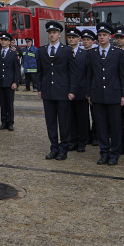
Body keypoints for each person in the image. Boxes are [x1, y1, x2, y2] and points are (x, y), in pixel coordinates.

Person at [87, 24, 124, 166]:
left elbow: (122, 75)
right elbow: (89, 75)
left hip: (114, 94)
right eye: (99, 35)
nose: (101, 37)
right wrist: (89, 93)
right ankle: (104, 153)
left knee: (115, 126)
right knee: (101, 126)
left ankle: (114, 153)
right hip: (98, 94)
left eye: (104, 35)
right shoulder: (91, 53)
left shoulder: (117, 53)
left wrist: (123, 94)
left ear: (110, 37)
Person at [37, 21, 75, 161]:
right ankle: (54, 147)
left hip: (63, 91)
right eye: (50, 33)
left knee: (64, 122)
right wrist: (39, 88)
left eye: (54, 33)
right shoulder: (42, 50)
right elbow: (39, 71)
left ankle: (64, 148)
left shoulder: (66, 50)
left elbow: (72, 72)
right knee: (50, 122)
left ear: (59, 35)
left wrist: (71, 90)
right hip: (48, 91)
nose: (52, 35)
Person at [0, 31, 21, 131]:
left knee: (9, 103)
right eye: (2, 40)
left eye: (5, 40)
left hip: (10, 82)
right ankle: (3, 122)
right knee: (2, 103)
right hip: (1, 82)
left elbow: (16, 69)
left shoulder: (13, 54)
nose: (3, 42)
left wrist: (15, 82)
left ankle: (10, 122)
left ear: (9, 42)